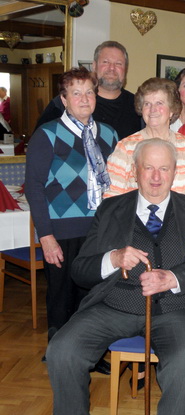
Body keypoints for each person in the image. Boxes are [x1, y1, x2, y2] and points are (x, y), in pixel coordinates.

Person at [39, 138, 185, 415]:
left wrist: (173, 278)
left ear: (175, 172)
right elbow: (80, 269)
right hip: (115, 303)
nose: (156, 176)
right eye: (148, 168)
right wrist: (112, 258)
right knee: (62, 349)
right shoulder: (111, 209)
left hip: (174, 308)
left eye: (164, 168)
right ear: (135, 172)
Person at [25, 68, 119, 353]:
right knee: (62, 297)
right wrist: (46, 236)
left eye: (89, 91)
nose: (84, 98)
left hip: (99, 232)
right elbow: (34, 188)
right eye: (76, 93)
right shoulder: (48, 135)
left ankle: (93, 353)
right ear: (64, 99)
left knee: (94, 297)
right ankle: (59, 353)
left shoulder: (109, 134)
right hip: (62, 233)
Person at [105, 77, 185, 198]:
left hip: (183, 216)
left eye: (159, 103)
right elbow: (112, 197)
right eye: (147, 104)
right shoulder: (125, 148)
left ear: (172, 110)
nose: (152, 109)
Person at [35, 41, 142, 139]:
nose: (112, 68)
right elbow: (39, 142)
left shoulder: (139, 105)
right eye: (105, 62)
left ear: (126, 69)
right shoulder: (66, 102)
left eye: (118, 63)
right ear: (94, 66)